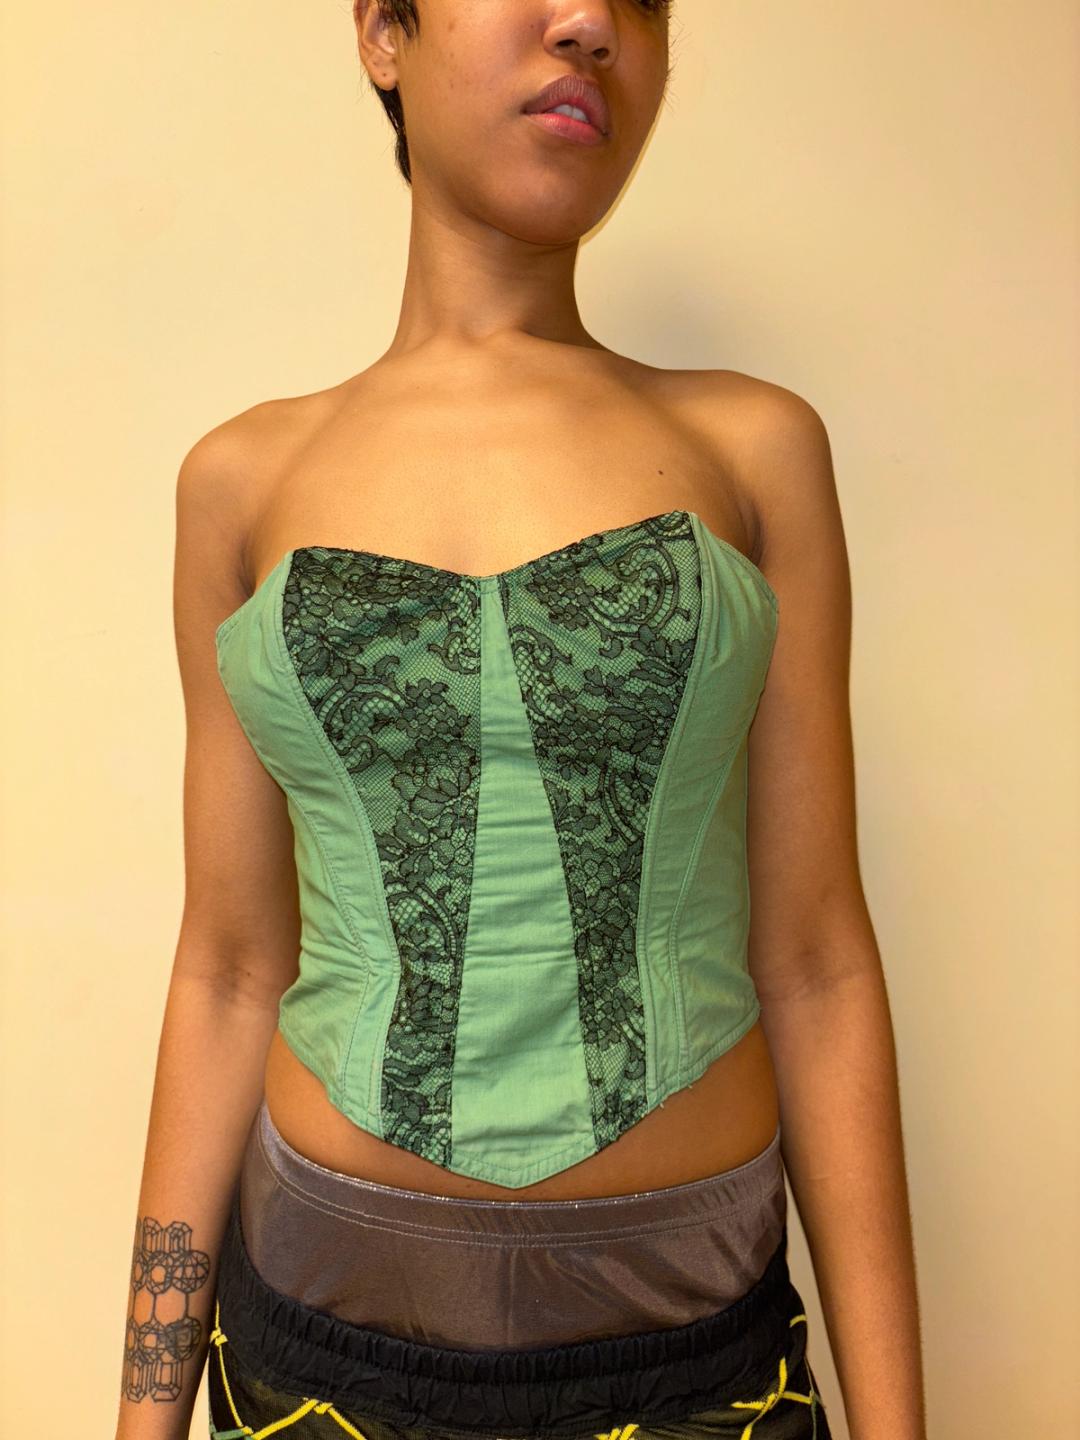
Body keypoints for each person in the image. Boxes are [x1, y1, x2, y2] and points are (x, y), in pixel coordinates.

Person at [115, 3, 927, 1439]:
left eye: (642, 1)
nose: (592, 25)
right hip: (318, 1358)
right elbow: (231, 970)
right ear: (384, 32)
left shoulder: (754, 450)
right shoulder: (240, 481)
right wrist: (141, 1418)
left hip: (692, 1360)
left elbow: (814, 963)